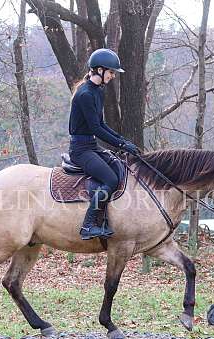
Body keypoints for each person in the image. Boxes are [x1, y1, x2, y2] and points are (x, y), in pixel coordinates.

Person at [68, 48, 141, 240]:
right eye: (111, 72)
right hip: (80, 149)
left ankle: (108, 220)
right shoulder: (85, 94)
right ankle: (88, 225)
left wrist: (123, 140)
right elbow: (95, 129)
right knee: (110, 180)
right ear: (99, 70)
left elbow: (102, 124)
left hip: (91, 146)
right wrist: (122, 145)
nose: (113, 76)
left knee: (119, 169)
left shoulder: (98, 91)